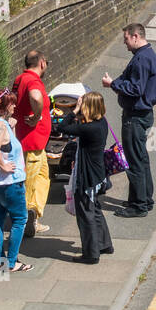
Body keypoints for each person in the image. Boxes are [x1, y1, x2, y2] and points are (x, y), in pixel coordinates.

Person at [102, 23, 156, 218]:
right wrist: (117, 82)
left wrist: (113, 84)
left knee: (134, 161)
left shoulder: (142, 59)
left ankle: (138, 205)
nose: (125, 43)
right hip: (143, 115)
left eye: (126, 39)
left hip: (135, 117)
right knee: (142, 158)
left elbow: (135, 89)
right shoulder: (146, 55)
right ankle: (145, 198)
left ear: (136, 36)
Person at [51, 92, 113, 263]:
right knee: (95, 210)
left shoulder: (88, 128)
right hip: (98, 175)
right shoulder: (101, 123)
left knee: (86, 216)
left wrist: (74, 110)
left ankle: (91, 254)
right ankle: (104, 244)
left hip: (87, 178)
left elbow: (61, 127)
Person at [0, 89, 32, 274]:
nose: (15, 106)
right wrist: (3, 166)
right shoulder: (0, 126)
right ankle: (12, 263)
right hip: (10, 182)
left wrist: (13, 126)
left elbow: (8, 146)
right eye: (12, 103)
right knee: (20, 219)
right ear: (5, 105)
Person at [12, 50, 52, 238]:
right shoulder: (33, 82)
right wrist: (37, 116)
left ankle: (33, 216)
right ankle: (24, 220)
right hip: (32, 141)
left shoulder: (20, 79)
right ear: (42, 63)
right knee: (30, 181)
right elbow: (35, 97)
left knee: (43, 176)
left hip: (32, 141)